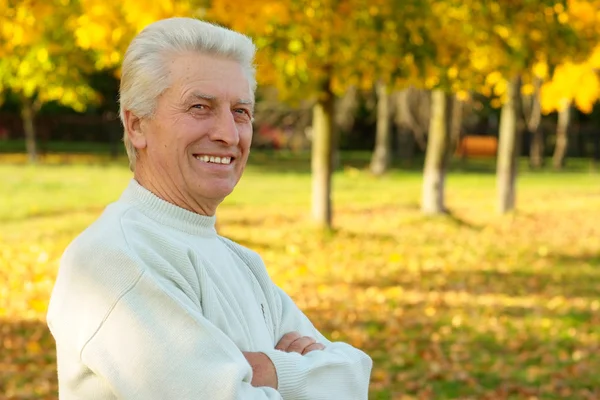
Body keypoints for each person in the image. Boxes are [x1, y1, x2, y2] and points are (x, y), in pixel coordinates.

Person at [47, 17, 372, 399]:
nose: (229, 134)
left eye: (241, 112)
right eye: (200, 107)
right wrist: (306, 376)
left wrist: (271, 370)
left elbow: (354, 379)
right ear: (137, 126)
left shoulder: (242, 264)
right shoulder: (113, 261)